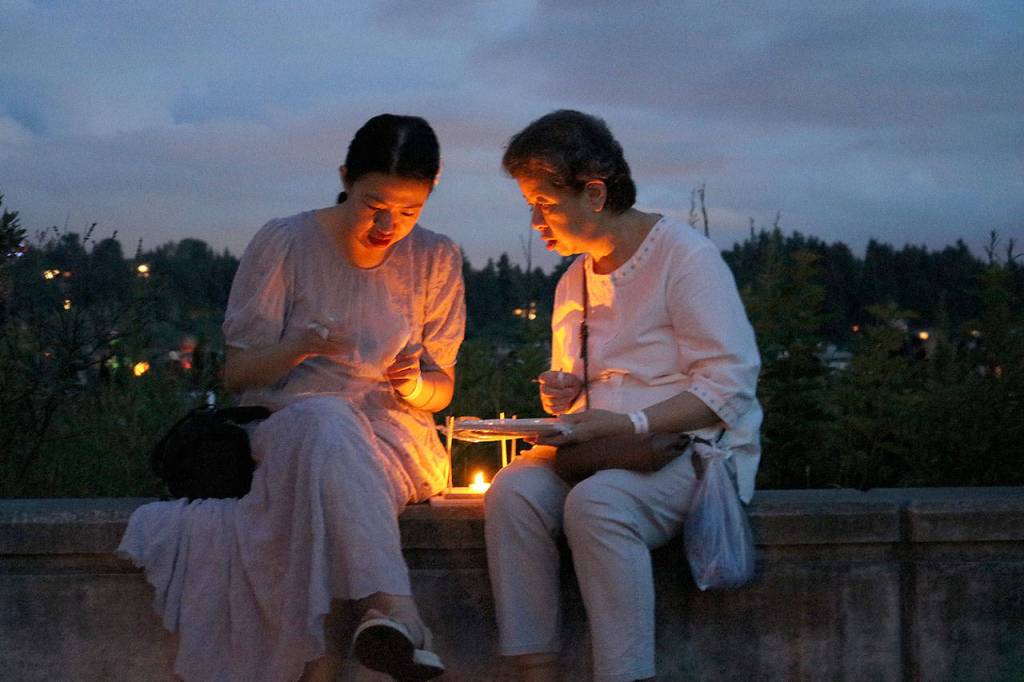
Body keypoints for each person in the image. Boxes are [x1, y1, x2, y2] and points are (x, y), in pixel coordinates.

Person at [118, 114, 466, 682]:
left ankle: (318, 668)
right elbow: (239, 374)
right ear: (345, 178)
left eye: (409, 211)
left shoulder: (436, 258)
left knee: (319, 478)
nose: (388, 224)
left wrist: (414, 384)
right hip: (291, 424)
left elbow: (441, 390)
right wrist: (299, 347)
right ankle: (396, 613)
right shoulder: (286, 242)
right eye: (374, 204)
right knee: (323, 424)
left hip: (392, 436)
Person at [484, 110, 762, 682]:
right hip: (605, 448)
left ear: (593, 192)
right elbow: (583, 398)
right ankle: (535, 669)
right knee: (511, 493)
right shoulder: (574, 281)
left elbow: (726, 387)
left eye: (544, 202)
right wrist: (561, 396)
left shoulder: (685, 258)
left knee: (598, 505)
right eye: (530, 204)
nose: (535, 220)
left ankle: (625, 673)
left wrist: (630, 422)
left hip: (687, 448)